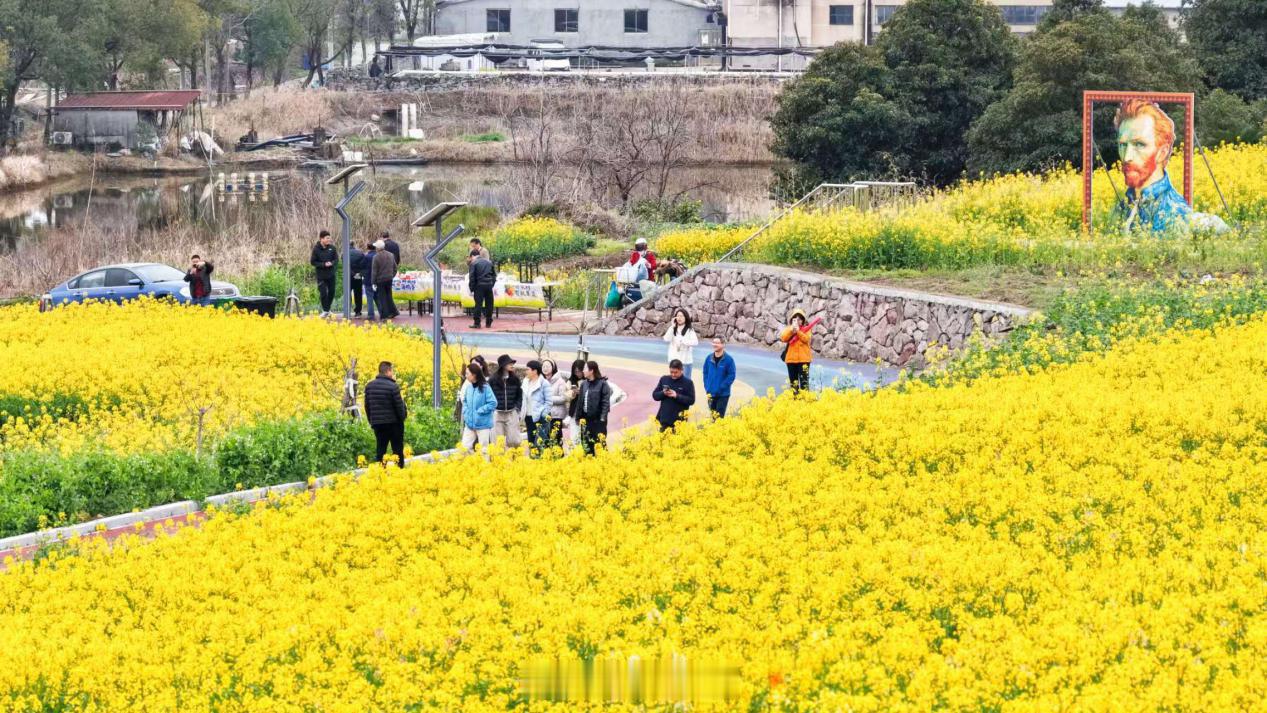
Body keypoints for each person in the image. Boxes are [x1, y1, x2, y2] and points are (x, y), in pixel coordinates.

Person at [1115, 99, 1191, 234]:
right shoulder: (1121, 208)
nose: (1126, 157)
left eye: (1139, 145)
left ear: (1162, 152)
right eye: (1123, 145)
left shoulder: (1175, 213)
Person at [364, 361, 407, 467]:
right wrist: (403, 418)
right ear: (388, 371)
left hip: (378, 424)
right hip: (394, 424)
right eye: (392, 371)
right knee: (397, 450)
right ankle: (399, 471)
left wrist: (372, 421)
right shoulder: (393, 386)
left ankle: (380, 473)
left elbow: (367, 406)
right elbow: (399, 406)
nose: (392, 373)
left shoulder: (369, 386)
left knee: (380, 450)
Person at [459, 363, 497, 453]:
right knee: (464, 448)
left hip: (483, 424)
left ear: (474, 375)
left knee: (484, 450)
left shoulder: (485, 388)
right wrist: (466, 413)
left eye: (467, 373)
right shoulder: (469, 388)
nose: (466, 376)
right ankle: (473, 464)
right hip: (470, 424)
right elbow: (465, 402)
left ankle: (484, 466)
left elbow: (493, 403)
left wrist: (480, 411)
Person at [577, 361, 612, 455]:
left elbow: (605, 403)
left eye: (585, 368)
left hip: (597, 420)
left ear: (591, 371)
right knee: (586, 445)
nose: (583, 371)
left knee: (600, 445)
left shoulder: (603, 384)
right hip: (585, 420)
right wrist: (578, 417)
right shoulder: (584, 384)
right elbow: (580, 402)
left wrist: (602, 418)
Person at [652, 359, 696, 433]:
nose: (673, 374)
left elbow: (691, 400)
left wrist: (676, 396)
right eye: (671, 372)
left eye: (675, 372)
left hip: (679, 422)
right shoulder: (664, 379)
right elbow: (655, 396)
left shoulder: (688, 383)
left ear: (681, 370)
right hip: (664, 420)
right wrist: (663, 393)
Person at [490, 354, 523, 448]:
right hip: (497, 413)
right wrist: (492, 409)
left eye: (512, 363)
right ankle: (500, 461)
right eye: (510, 363)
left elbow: (519, 395)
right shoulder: (493, 380)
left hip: (511, 413)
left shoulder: (515, 379)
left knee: (515, 441)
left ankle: (515, 460)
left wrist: (517, 407)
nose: (512, 365)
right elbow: (488, 396)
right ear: (503, 365)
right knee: (497, 442)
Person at [522, 359, 552, 455]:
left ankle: (540, 462)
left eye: (528, 369)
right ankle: (533, 463)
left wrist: (543, 414)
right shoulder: (526, 382)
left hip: (540, 417)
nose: (526, 371)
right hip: (528, 416)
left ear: (534, 371)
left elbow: (549, 402)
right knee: (531, 442)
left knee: (540, 443)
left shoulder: (544, 383)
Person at [780, 308, 814, 393]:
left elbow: (806, 339)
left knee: (804, 384)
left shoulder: (807, 329)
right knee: (793, 384)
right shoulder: (789, 329)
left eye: (799, 319)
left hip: (804, 360)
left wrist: (798, 331)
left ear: (803, 320)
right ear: (792, 320)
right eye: (795, 319)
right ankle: (795, 403)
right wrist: (792, 330)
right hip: (791, 360)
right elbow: (783, 338)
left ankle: (805, 402)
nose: (797, 321)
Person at [702, 337, 737, 418]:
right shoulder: (708, 358)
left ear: (723, 344)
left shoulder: (729, 360)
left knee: (719, 418)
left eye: (717, 343)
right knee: (713, 416)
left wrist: (721, 387)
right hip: (710, 393)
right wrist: (707, 386)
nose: (715, 345)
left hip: (723, 394)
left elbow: (731, 375)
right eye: (713, 342)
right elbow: (705, 372)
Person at [663, 308, 699, 380]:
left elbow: (695, 342)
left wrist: (683, 341)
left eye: (682, 316)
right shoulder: (673, 328)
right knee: (674, 382)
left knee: (686, 382)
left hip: (685, 361)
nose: (679, 318)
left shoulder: (689, 330)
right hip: (674, 361)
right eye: (678, 316)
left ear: (686, 318)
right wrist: (672, 326)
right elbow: (666, 339)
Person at [310, 230, 338, 316]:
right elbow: (313, 262)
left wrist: (332, 263)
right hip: (321, 275)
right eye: (327, 238)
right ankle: (326, 311)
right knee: (323, 293)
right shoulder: (316, 249)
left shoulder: (332, 248)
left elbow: (336, 259)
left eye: (329, 238)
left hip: (331, 275)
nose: (329, 240)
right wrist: (323, 264)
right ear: (321, 239)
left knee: (332, 292)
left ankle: (327, 309)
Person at [543, 359, 570, 450]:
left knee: (556, 440)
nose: (545, 368)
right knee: (545, 440)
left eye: (547, 366)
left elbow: (563, 398)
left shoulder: (560, 381)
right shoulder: (542, 381)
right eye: (543, 366)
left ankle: (559, 459)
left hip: (556, 415)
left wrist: (548, 399)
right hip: (545, 415)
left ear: (553, 368)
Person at [371, 239, 399, 321]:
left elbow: (374, 271)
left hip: (380, 280)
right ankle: (394, 311)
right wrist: (392, 275)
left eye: (376, 247)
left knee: (382, 297)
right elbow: (395, 268)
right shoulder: (391, 255)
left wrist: (373, 282)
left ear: (378, 248)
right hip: (389, 278)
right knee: (389, 295)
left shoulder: (376, 257)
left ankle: (384, 315)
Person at [467, 249, 496, 329]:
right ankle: (488, 322)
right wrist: (491, 284)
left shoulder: (474, 263)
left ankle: (477, 323)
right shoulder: (489, 262)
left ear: (472, 256)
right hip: (489, 285)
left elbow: (472, 277)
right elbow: (494, 275)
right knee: (489, 304)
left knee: (478, 305)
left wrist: (472, 288)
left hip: (479, 286)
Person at [347, 243, 367, 318]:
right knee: (358, 294)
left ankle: (348, 311)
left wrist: (352, 274)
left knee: (348, 293)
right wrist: (359, 274)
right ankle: (358, 312)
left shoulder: (344, 254)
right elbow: (364, 265)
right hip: (358, 277)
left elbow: (346, 266)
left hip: (348, 277)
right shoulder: (360, 253)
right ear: (354, 245)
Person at [360, 241, 378, 320]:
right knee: (378, 297)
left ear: (368, 248)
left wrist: (361, 274)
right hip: (378, 279)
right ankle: (382, 312)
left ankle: (371, 315)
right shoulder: (378, 256)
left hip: (368, 279)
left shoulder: (366, 257)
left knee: (369, 298)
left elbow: (362, 266)